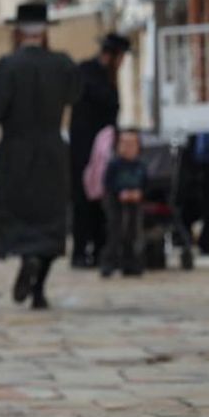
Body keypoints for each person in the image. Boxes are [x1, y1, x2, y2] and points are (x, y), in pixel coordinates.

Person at [0, 2, 80, 309]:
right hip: (52, 151)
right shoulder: (63, 65)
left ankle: (27, 259)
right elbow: (76, 95)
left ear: (17, 32)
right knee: (50, 218)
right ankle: (39, 289)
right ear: (46, 32)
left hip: (17, 153)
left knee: (19, 214)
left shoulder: (9, 66)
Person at [70, 33, 130, 268]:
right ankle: (80, 251)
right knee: (83, 200)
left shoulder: (105, 77)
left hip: (102, 151)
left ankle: (99, 249)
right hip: (84, 150)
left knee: (101, 200)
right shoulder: (87, 73)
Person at [101, 128, 147, 278]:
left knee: (132, 234)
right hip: (116, 201)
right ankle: (109, 263)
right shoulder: (114, 164)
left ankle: (131, 264)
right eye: (124, 144)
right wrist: (119, 193)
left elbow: (145, 183)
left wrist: (138, 193)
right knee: (114, 232)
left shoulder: (140, 165)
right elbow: (107, 183)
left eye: (131, 144)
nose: (127, 148)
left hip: (134, 202)